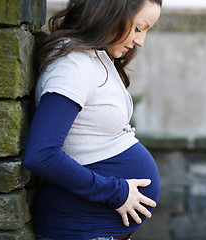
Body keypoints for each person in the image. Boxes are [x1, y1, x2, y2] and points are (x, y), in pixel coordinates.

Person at [23, 0, 162, 239]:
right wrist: (116, 192)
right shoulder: (72, 65)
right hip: (82, 231)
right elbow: (42, 154)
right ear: (111, 13)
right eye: (139, 28)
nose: (140, 41)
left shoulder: (94, 57)